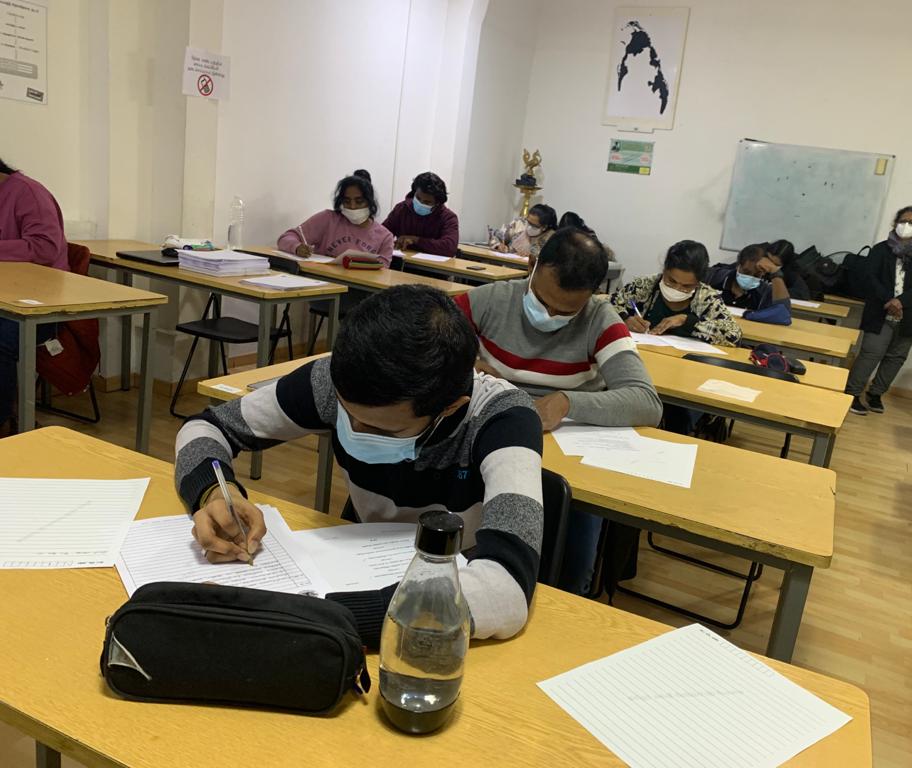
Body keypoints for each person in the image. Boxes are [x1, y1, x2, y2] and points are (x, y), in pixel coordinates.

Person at [174, 285, 544, 644]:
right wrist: (214, 493)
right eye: (346, 414)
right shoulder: (334, 382)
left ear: (449, 408)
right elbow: (207, 427)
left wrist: (319, 617)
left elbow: (504, 589)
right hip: (359, 564)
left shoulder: (503, 418)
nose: (353, 428)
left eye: (381, 429)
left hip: (452, 589)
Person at [455, 227, 662, 596]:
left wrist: (568, 402)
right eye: (542, 301)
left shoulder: (600, 319)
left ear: (593, 293)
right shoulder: (489, 300)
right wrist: (464, 363)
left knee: (572, 554)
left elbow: (646, 401)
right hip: (491, 440)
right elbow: (424, 343)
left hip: (564, 454)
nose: (549, 315)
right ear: (532, 265)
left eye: (566, 311)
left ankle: (567, 597)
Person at [0, 157, 69, 435]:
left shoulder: (27, 193)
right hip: (6, 298)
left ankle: (5, 422)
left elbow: (44, 248)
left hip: (40, 306)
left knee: (0, 339)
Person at [845, 206, 912, 416]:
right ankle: (852, 393)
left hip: (909, 313)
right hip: (880, 310)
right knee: (870, 353)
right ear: (895, 223)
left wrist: (900, 302)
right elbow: (870, 278)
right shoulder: (880, 249)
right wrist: (889, 300)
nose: (907, 225)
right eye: (903, 221)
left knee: (896, 357)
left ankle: (876, 393)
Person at [610, 240, 742, 346]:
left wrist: (687, 321)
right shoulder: (645, 285)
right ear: (664, 270)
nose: (677, 288)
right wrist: (624, 318)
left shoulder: (707, 298)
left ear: (698, 283)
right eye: (671, 281)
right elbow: (609, 303)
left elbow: (734, 335)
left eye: (686, 286)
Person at [277, 169, 395, 266]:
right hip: (323, 279)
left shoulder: (385, 237)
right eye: (347, 201)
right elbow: (286, 238)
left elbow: (383, 271)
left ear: (370, 202)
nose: (352, 206)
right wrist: (297, 247)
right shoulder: (327, 219)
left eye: (359, 202)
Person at [707, 244, 792, 324]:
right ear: (738, 266)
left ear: (763, 273)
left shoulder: (764, 292)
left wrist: (775, 272)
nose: (750, 277)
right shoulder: (714, 277)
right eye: (746, 272)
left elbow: (783, 316)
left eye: (756, 275)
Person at [381, 171, 460, 257]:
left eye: (427, 202)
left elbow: (449, 248)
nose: (420, 203)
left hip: (431, 264)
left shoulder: (448, 218)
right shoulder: (401, 209)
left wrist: (416, 240)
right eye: (418, 198)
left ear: (437, 203)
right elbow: (381, 234)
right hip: (401, 260)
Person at [488, 203, 557, 265]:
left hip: (528, 270)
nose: (529, 227)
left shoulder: (552, 237)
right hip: (505, 263)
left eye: (534, 225)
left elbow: (551, 259)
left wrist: (533, 256)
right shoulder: (520, 223)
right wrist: (498, 245)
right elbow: (496, 236)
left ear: (544, 227)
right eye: (528, 222)